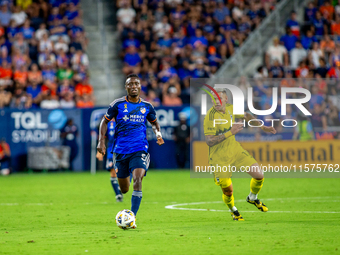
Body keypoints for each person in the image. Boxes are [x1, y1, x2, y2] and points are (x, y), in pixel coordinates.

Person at [97, 74, 164, 228]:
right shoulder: (117, 104)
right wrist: (101, 141)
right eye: (130, 84)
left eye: (136, 83)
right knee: (125, 189)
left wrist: (158, 135)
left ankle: (131, 217)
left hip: (139, 148)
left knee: (138, 179)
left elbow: (154, 122)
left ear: (140, 87)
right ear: (126, 87)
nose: (134, 86)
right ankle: (127, 201)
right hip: (120, 151)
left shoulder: (147, 106)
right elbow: (104, 122)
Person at [203, 88, 276, 221]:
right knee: (228, 191)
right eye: (214, 98)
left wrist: (263, 127)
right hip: (219, 158)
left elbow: (247, 115)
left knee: (259, 175)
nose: (216, 101)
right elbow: (209, 141)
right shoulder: (210, 117)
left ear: (226, 99)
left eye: (219, 98)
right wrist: (230, 132)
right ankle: (233, 210)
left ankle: (252, 198)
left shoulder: (231, 109)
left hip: (235, 151)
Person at [97, 119, 123, 202]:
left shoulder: (125, 119)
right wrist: (100, 151)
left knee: (126, 170)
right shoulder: (107, 123)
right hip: (111, 150)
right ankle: (118, 195)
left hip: (124, 149)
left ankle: (123, 186)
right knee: (113, 171)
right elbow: (103, 136)